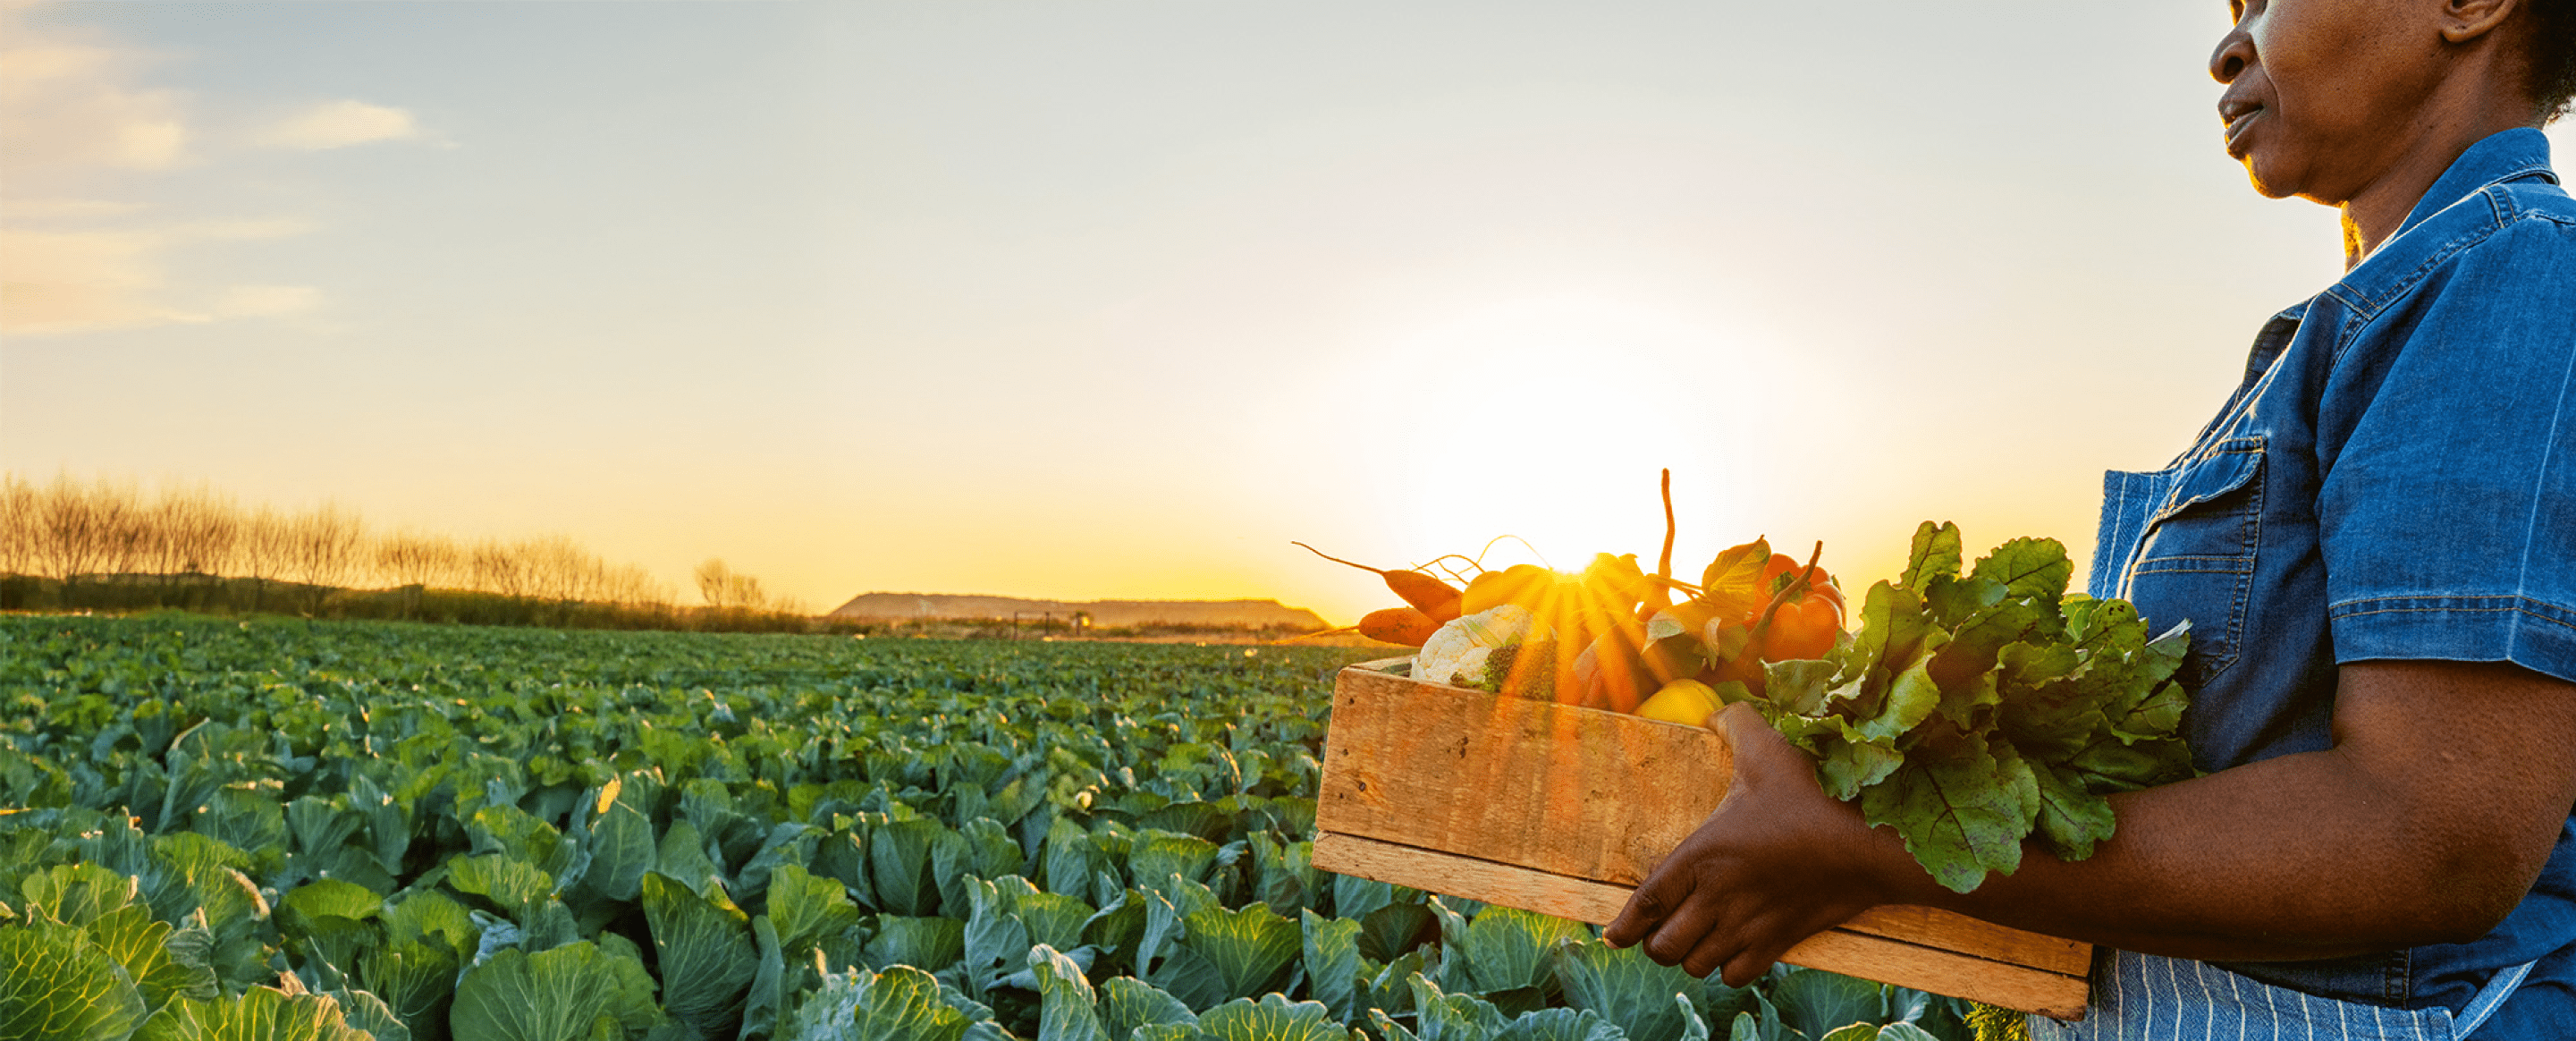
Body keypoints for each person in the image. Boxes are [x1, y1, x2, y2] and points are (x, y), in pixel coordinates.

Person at [1603, 0, 2576, 1037]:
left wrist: (1876, 851)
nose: (2227, 47)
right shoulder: (2365, 323)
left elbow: (2434, 834)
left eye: (2264, 0)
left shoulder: (2507, 275)